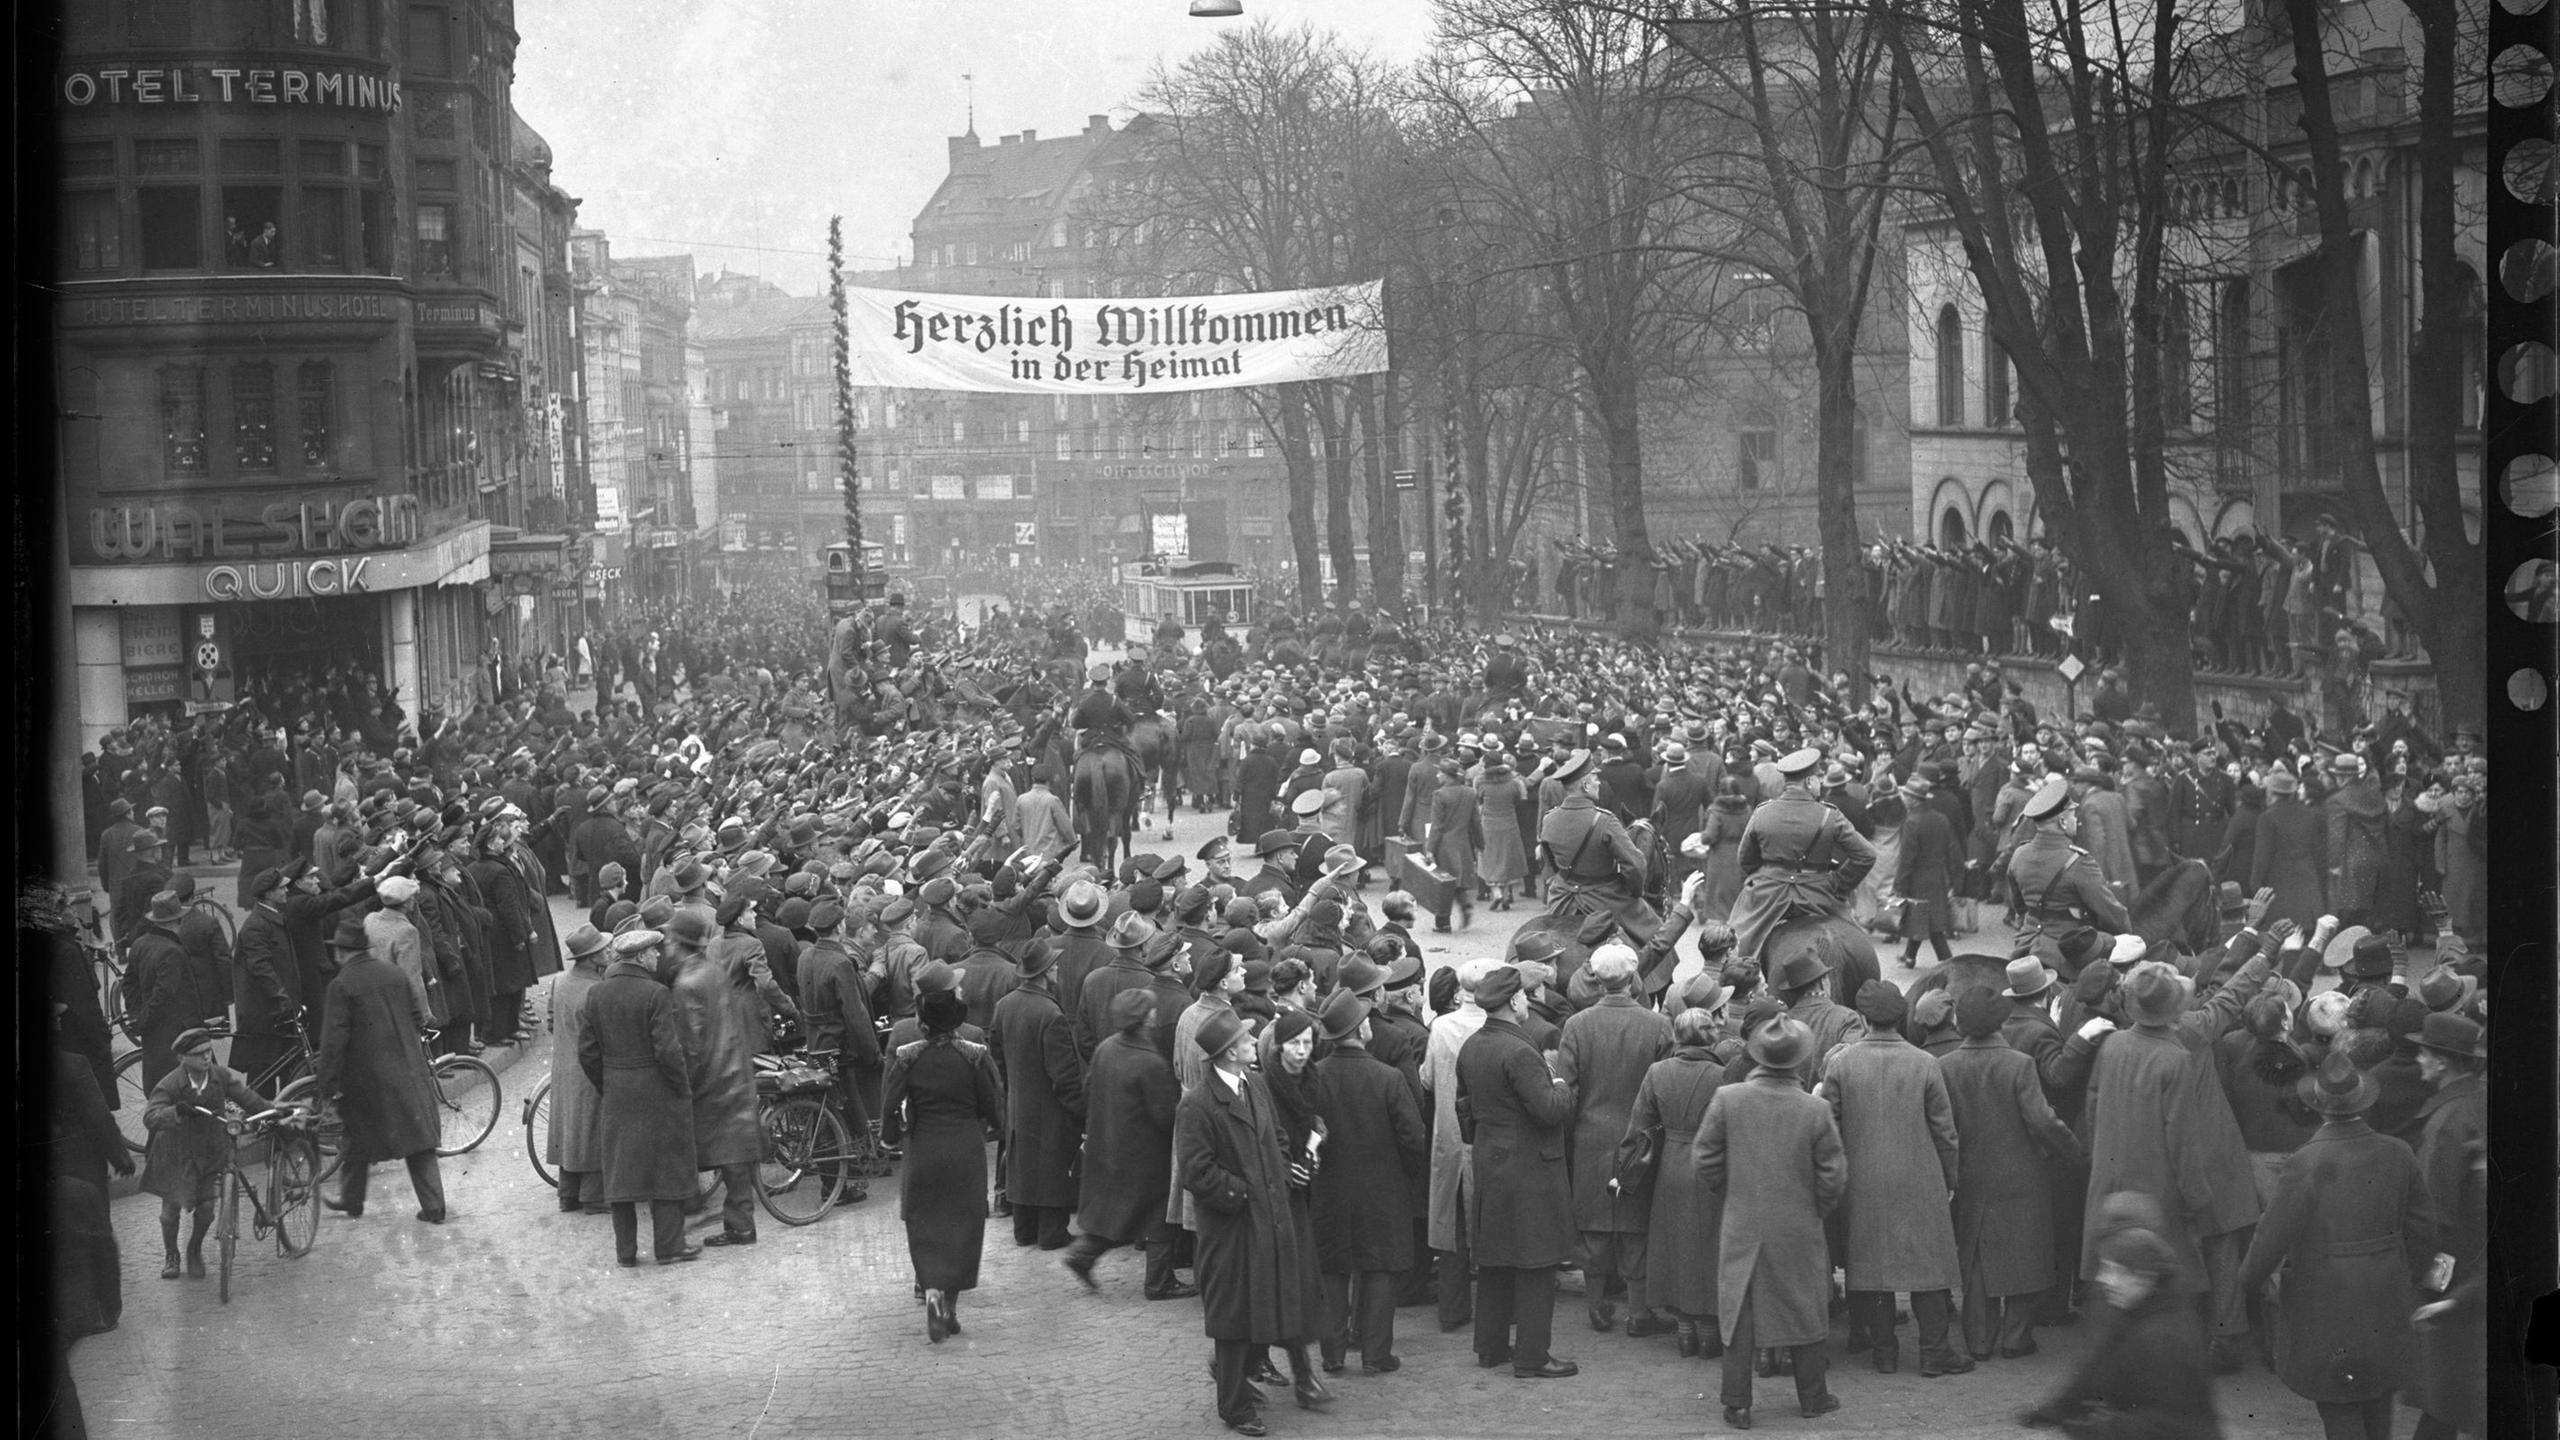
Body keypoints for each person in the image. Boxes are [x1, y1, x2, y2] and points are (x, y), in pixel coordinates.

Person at [2237, 1051, 2437, 1440]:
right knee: (2378, 1396)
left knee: (2338, 1403)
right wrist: (2404, 1275)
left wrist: (2247, 1278)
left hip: (2325, 1302)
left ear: (2318, 1106)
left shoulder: (2306, 1162)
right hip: (2385, 1295)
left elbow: (2271, 1237)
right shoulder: (2398, 1153)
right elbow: (2424, 1230)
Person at [1175, 1008, 1329, 1435]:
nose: (1254, 1043)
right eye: (1246, 1040)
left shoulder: (1254, 1084)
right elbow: (1196, 1171)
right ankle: (1235, 1407)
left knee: (1261, 1308)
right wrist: (1245, 1193)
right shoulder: (1198, 1105)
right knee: (1234, 1319)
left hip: (1269, 1219)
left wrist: (1280, 1176)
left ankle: (1237, 1384)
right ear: (1229, 1053)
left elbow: (1276, 1136)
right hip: (1232, 1229)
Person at [1694, 1016, 1847, 1429]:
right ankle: (1813, 1396)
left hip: (1743, 1219)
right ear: (1799, 1060)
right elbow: (1833, 1172)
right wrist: (1817, 1206)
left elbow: (1705, 1157)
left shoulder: (1729, 1098)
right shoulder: (1815, 1109)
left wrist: (1732, 1191)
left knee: (1738, 1309)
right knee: (1806, 1304)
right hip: (1798, 1223)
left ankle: (1737, 1403)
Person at [1820, 980, 1970, 1376]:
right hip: (1920, 1177)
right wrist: (1950, 1177)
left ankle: (1884, 1351)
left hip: (1861, 1180)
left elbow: (1827, 1129)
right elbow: (1945, 1130)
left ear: (1865, 1018)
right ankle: (1935, 1350)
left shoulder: (1841, 1064)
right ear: (1901, 1017)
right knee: (1930, 1266)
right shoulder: (1925, 1063)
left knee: (1872, 1267)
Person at [1938, 986, 2081, 1361]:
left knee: (1977, 1261)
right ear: (2000, 1020)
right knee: (2024, 1258)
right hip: (2021, 1175)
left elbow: (1944, 1127)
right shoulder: (2019, 1064)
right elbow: (2041, 1120)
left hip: (1971, 1176)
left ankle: (1979, 1341)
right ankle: (2016, 1339)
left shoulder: (1946, 1066)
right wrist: (2073, 1152)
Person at [1455, 963, 1580, 1381]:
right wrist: (1561, 1083)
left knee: (1495, 1258)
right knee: (1535, 1262)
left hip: (1491, 1160)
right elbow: (1548, 1111)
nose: (1528, 1000)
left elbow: (1465, 1107)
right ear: (1513, 1001)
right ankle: (1532, 1355)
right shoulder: (1521, 1051)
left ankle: (1489, 1347)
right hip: (1529, 1169)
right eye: (1525, 994)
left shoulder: (1473, 1045)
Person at [2022, 1191, 2225, 1438]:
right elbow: (2097, 1365)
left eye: (2115, 1271)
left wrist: (2100, 1429)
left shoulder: (2164, 1336)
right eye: (2104, 1267)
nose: (2103, 1280)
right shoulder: (2134, 1310)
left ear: (2144, 1278)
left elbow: (2171, 1424)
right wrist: (2057, 1409)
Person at [1553, 945, 1674, 1335]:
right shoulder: (1657, 1026)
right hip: (1640, 1141)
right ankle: (1638, 1314)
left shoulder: (1576, 1025)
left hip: (1590, 1140)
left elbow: (1567, 1091)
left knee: (1593, 1227)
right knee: (1636, 1226)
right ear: (1633, 978)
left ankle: (1595, 1306)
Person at [1307, 989, 1427, 1377]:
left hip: (1329, 1188)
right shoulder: (1388, 1078)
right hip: (1382, 1189)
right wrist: (1403, 1174)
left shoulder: (1316, 1077)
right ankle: (1376, 1354)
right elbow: (1413, 1136)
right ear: (1361, 1030)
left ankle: (1333, 1354)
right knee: (1380, 1269)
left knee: (1333, 1269)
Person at [884, 988, 1008, 1343]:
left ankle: (932, 1290)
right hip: (965, 1152)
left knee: (925, 1224)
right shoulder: (973, 1057)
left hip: (923, 1149)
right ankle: (949, 1308)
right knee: (963, 1226)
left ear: (922, 1024)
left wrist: (892, 1137)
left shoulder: (908, 1058)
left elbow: (890, 1103)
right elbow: (992, 1105)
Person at [577, 929, 701, 1266]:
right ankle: (670, 1246)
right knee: (665, 1169)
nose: (658, 956)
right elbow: (667, 1050)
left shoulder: (596, 994)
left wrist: (608, 1082)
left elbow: (587, 1053)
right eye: (654, 952)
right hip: (656, 1089)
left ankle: (626, 1252)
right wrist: (681, 1086)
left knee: (621, 1171)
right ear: (642, 956)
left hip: (617, 1090)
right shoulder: (656, 993)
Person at [315, 913, 447, 1223]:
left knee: (356, 1136)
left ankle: (351, 1200)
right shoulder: (393, 974)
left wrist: (326, 1087)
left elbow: (334, 1041)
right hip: (409, 1070)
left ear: (342, 952)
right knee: (419, 1142)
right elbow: (417, 1015)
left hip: (367, 1080)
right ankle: (434, 1206)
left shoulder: (342, 985)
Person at [1625, 1000, 1733, 1358]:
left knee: (1675, 1247)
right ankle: (1709, 1329)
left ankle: (1684, 1329)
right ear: (1710, 1036)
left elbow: (1638, 1127)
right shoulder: (1724, 1076)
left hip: (1670, 1163)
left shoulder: (1657, 1072)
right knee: (1710, 1247)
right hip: (1712, 1166)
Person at [1066, 989, 1191, 1299]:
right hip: (1146, 1153)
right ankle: (1159, 1283)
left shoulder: (1106, 1049)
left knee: (1118, 1213)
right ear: (1145, 1018)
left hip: (1109, 1144)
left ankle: (1081, 1255)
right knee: (1160, 1216)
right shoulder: (1149, 1062)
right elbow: (1164, 1115)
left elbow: (1088, 1090)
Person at [670, 900, 768, 1248]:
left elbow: (691, 1042)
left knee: (686, 1147)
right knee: (734, 1159)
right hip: (733, 1071)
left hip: (710, 1079)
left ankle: (691, 1210)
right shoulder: (713, 971)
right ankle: (741, 1224)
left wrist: (684, 1082)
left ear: (678, 943)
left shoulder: (686, 982)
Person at [2408, 1014, 2486, 1440]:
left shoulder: (2444, 1124)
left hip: (2453, 1272)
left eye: (2423, 1052)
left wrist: (2429, 1283)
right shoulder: (2481, 1100)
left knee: (2444, 1392)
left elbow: (2433, 1215)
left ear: (2441, 1062)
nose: (2417, 1059)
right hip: (2483, 1267)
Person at [1727, 747, 1874, 967]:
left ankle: (1733, 993)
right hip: (1819, 893)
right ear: (1808, 782)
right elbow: (1866, 855)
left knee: (1734, 949)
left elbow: (1745, 858)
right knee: (1858, 945)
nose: (1821, 784)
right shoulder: (1829, 815)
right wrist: (1838, 884)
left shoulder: (1762, 812)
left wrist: (1766, 875)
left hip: (1767, 893)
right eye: (1818, 778)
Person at [140, 1026, 267, 1280]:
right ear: (182, 1058)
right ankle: (171, 1254)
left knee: (207, 1207)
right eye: (199, 1054)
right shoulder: (171, 1084)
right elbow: (150, 1116)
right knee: (170, 1210)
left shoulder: (219, 1076)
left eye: (208, 1051)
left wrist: (270, 1109)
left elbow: (246, 1097)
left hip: (210, 1151)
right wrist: (175, 1111)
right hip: (176, 1153)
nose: (206, 1057)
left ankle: (194, 1248)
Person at [990, 935, 1085, 1250]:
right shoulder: (1050, 1014)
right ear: (1047, 971)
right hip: (1049, 1106)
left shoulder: (1005, 1005)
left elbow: (997, 1057)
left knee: (1023, 1163)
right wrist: (1080, 1111)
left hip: (1018, 1101)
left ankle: (1024, 1228)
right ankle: (1051, 1232)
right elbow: (1064, 1076)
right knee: (1051, 1165)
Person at [2006, 775, 2132, 978]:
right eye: (2073, 815)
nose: (2077, 820)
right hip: (2068, 952)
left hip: (2025, 945)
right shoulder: (2079, 861)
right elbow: (2111, 913)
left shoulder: (2019, 854)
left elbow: (2019, 906)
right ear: (2063, 822)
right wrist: (2127, 933)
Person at [547, 924, 612, 1214]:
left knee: (568, 1129)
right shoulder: (597, 989)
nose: (608, 952)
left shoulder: (560, 981)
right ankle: (593, 1196)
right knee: (592, 1130)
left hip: (563, 1068)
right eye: (603, 950)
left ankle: (567, 1193)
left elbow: (551, 1021)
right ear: (591, 958)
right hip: (589, 1070)